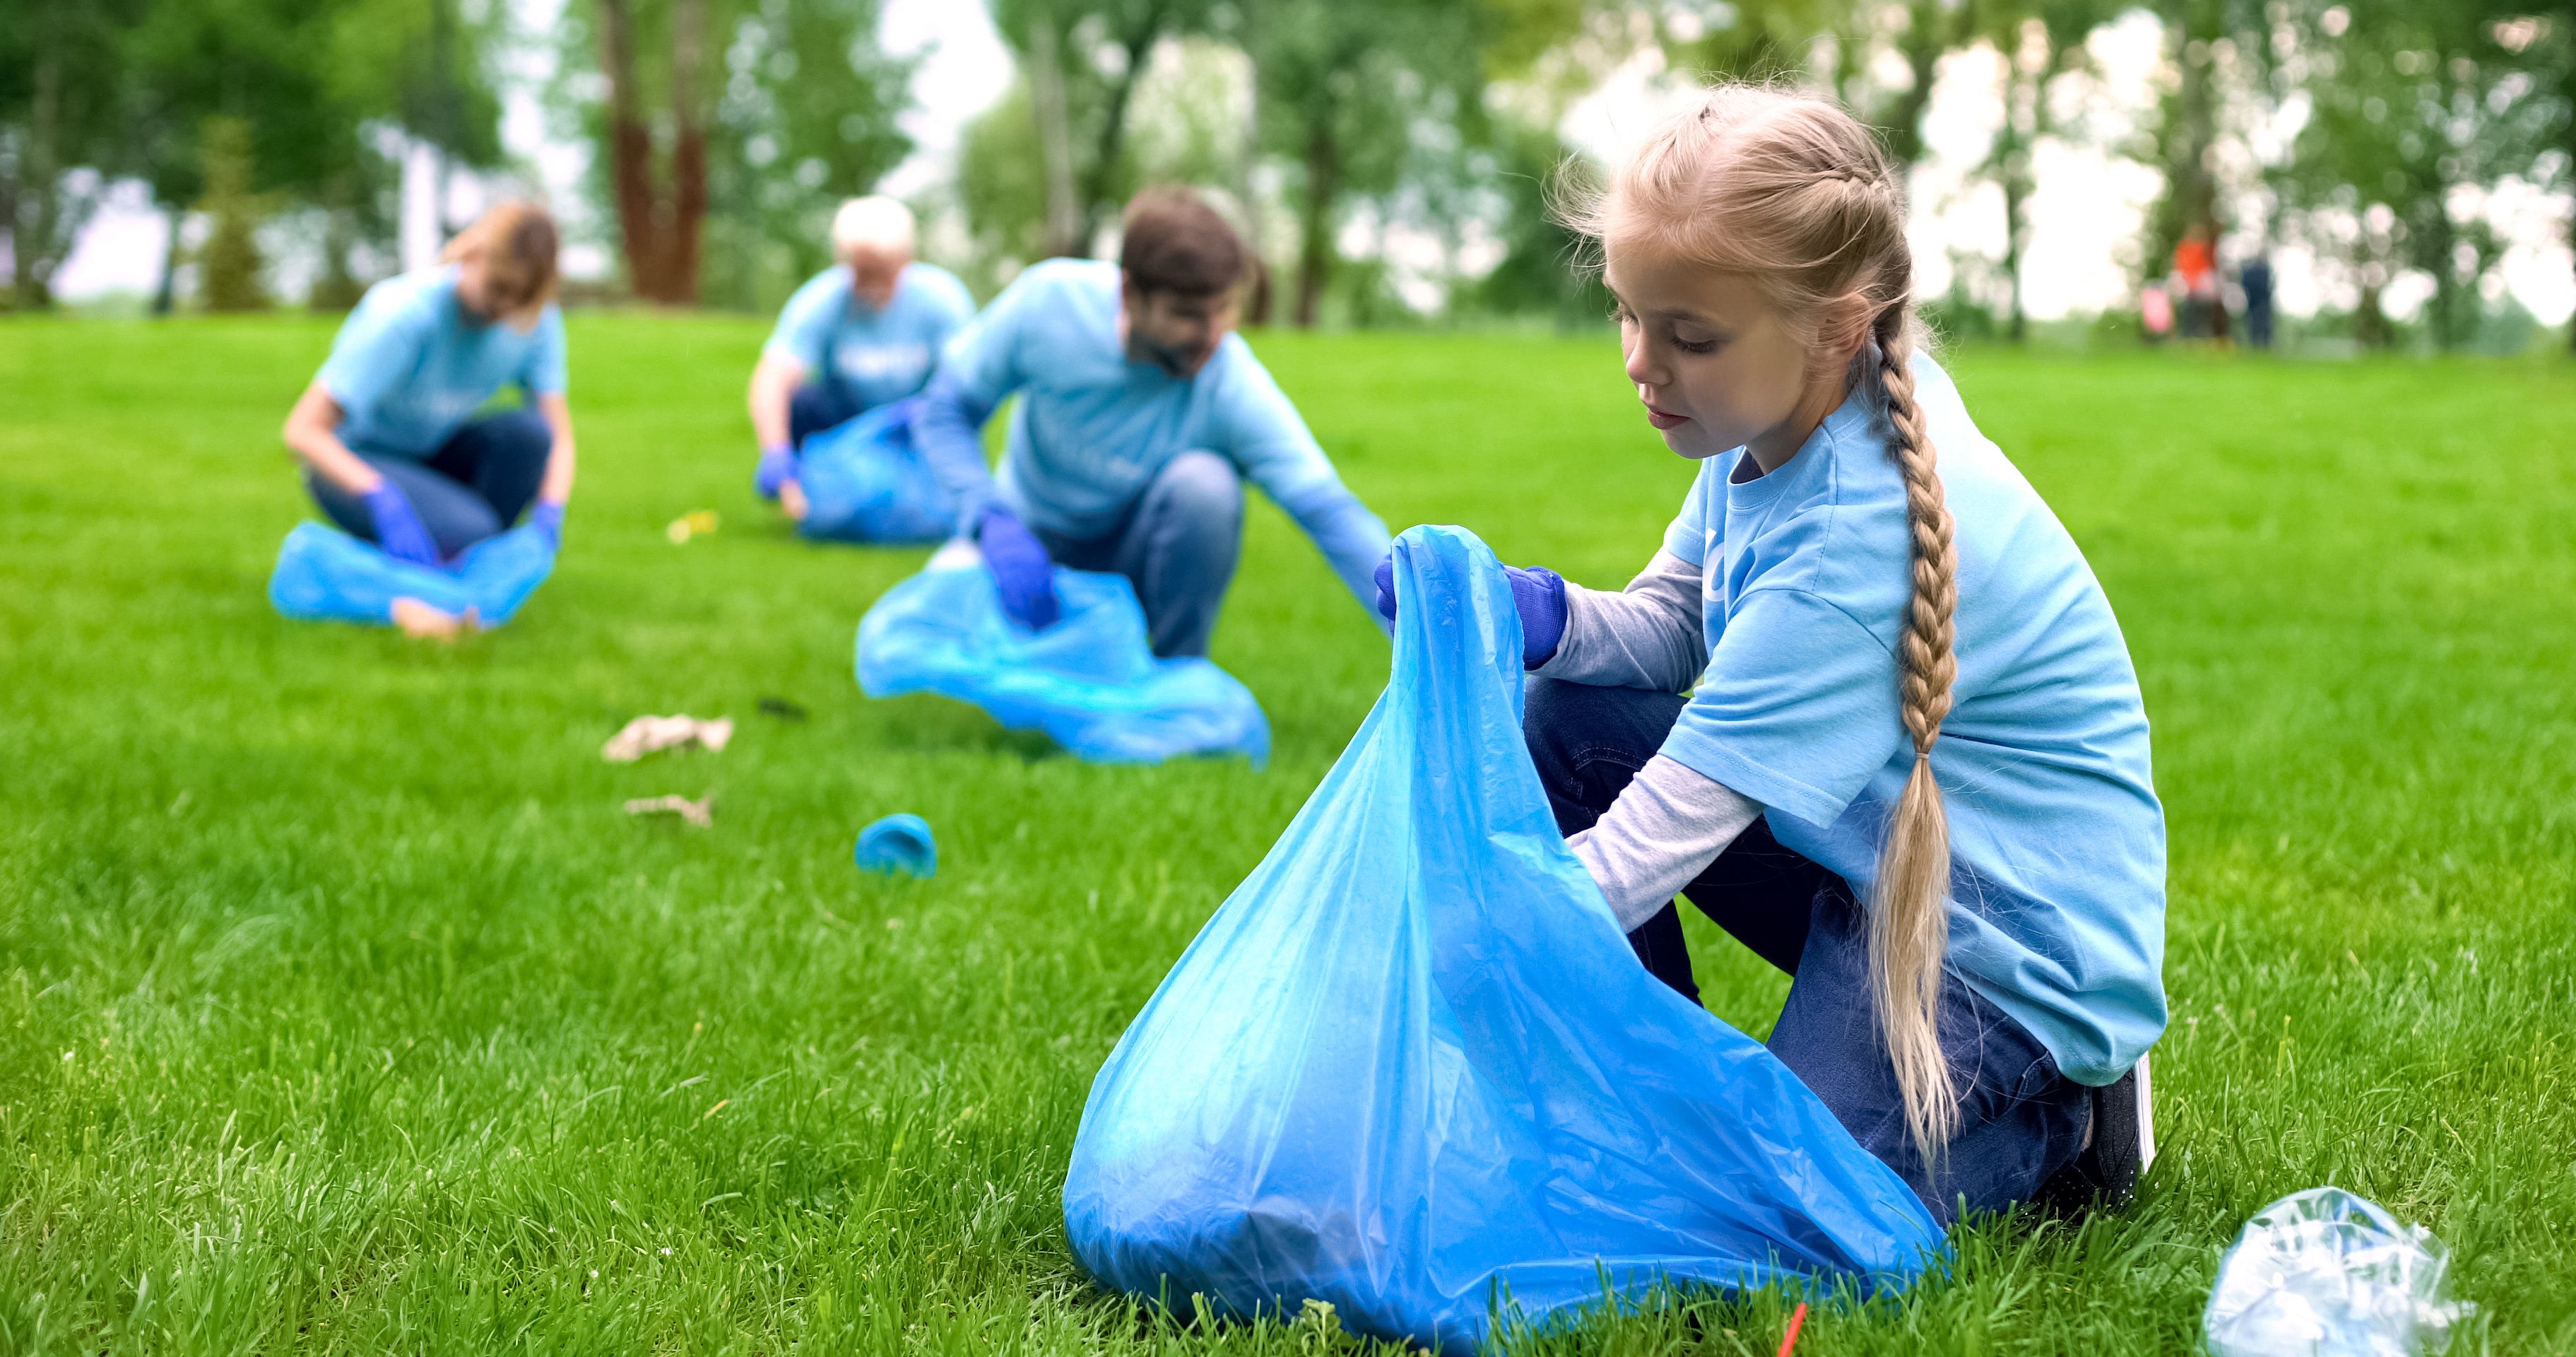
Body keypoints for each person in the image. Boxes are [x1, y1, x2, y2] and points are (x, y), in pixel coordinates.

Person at [1379, 88, 2166, 1223]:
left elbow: (1668, 830)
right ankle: (1637, 1103)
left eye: (1690, 336)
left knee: (1790, 1216)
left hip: (1994, 951)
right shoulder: (1773, 415)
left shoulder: (1857, 534)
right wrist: (1538, 618)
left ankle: (2062, 1122)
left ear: (1838, 325)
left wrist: (1467, 939)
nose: (1642, 363)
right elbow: (1670, 631)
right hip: (1870, 861)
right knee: (1568, 712)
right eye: (1630, 314)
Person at [911, 187, 1390, 659]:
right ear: (1129, 294)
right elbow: (945, 412)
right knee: (932, 621)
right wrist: (989, 520)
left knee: (1206, 487)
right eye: (1187, 316)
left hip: (1135, 553)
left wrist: (1413, 611)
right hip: (1025, 545)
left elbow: (1327, 510)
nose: (1211, 336)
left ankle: (1175, 671)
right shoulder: (1049, 304)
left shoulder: (1229, 381)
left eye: (1225, 309)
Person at [282, 201, 577, 626]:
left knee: (528, 438)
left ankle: (443, 570)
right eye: (497, 291)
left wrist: (550, 515)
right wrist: (382, 499)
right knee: (471, 534)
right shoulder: (404, 316)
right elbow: (303, 431)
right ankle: (375, 576)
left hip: (433, 452)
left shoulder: (532, 320)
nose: (503, 312)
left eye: (519, 301)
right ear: (473, 256)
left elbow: (557, 434)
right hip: (356, 465)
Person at [749, 196, 976, 522]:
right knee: (803, 403)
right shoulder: (822, 300)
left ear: (905, 259)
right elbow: (774, 377)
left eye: (881, 270)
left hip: (917, 419)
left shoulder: (942, 299)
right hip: (847, 416)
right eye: (861, 270)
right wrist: (776, 452)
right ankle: (804, 500)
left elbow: (968, 380)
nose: (871, 283)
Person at [2240, 255, 2276, 350]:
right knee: (2260, 322)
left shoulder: (2249, 271)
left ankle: (2261, 343)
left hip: (2258, 299)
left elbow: (2244, 283)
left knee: (2260, 322)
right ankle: (2261, 343)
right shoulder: (2264, 270)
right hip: (2258, 299)